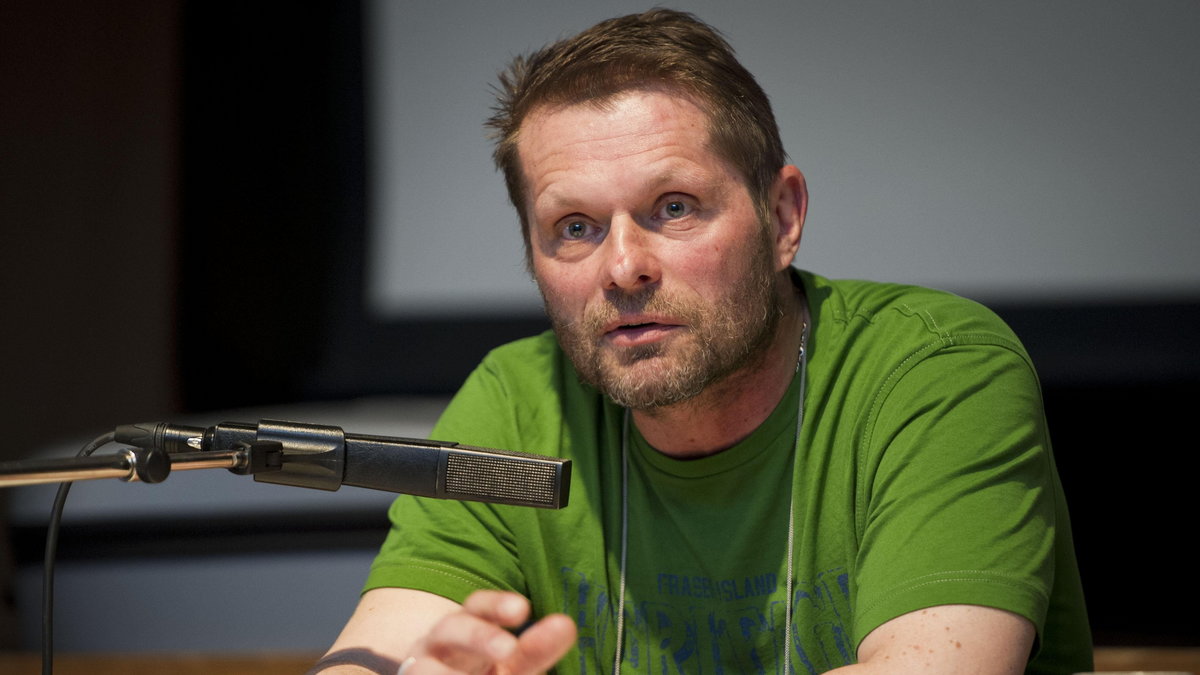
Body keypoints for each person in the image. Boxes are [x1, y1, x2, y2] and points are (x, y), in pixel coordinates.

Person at [316, 9, 1091, 675]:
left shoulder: (935, 371)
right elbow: (372, 651)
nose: (623, 267)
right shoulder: (520, 398)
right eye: (574, 227)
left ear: (783, 217)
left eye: (675, 206)